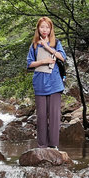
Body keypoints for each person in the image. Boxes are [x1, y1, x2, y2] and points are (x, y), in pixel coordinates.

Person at [27, 16, 66, 149]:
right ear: (38, 28)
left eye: (47, 27)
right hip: (39, 82)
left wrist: (47, 47)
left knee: (55, 116)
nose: (44, 29)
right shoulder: (34, 45)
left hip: (55, 83)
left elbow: (62, 57)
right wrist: (43, 61)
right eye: (42, 27)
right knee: (41, 116)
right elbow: (30, 63)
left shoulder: (56, 43)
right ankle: (42, 145)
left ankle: (53, 145)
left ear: (51, 29)